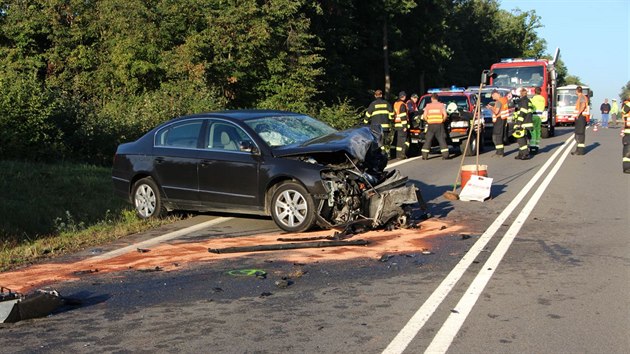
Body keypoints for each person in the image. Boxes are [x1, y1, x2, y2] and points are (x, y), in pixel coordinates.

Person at [421, 93, 450, 160]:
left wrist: (428, 120)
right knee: (441, 140)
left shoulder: (428, 106)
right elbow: (445, 115)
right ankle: (445, 156)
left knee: (428, 140)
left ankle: (424, 156)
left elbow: (424, 116)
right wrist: (442, 120)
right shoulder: (441, 105)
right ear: (437, 98)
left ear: (431, 98)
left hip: (430, 125)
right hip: (439, 125)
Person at [487, 89, 509, 156]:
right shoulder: (504, 100)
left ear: (495, 94)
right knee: (499, 136)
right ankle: (499, 152)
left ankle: (500, 152)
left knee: (497, 136)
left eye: (493, 96)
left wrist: (491, 108)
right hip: (503, 119)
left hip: (499, 120)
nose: (492, 98)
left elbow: (496, 112)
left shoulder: (499, 102)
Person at [513, 87, 533, 160]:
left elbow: (522, 112)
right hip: (526, 122)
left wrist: (518, 122)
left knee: (520, 138)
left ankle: (525, 154)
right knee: (521, 138)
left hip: (523, 123)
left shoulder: (524, 101)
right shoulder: (527, 100)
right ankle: (521, 154)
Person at [571, 86, 589, 155]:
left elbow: (583, 105)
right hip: (580, 117)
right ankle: (578, 150)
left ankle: (580, 151)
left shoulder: (582, 97)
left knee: (580, 134)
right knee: (578, 134)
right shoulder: (581, 97)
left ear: (577, 91)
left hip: (581, 117)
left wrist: (578, 113)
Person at [392, 91, 409, 159]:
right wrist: (405, 126)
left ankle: (398, 155)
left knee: (399, 140)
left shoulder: (396, 103)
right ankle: (402, 155)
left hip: (397, 124)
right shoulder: (402, 104)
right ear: (404, 96)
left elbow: (393, 114)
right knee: (403, 140)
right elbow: (403, 116)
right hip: (402, 125)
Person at [530, 87, 545, 154]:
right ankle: (536, 146)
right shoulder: (542, 98)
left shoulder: (533, 98)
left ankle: (532, 146)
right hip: (540, 116)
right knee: (538, 130)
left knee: (532, 131)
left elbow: (530, 106)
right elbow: (543, 107)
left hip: (534, 115)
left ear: (534, 91)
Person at [621, 96, 630, 173]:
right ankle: (627, 168)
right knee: (628, 150)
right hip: (628, 131)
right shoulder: (628, 105)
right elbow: (623, 112)